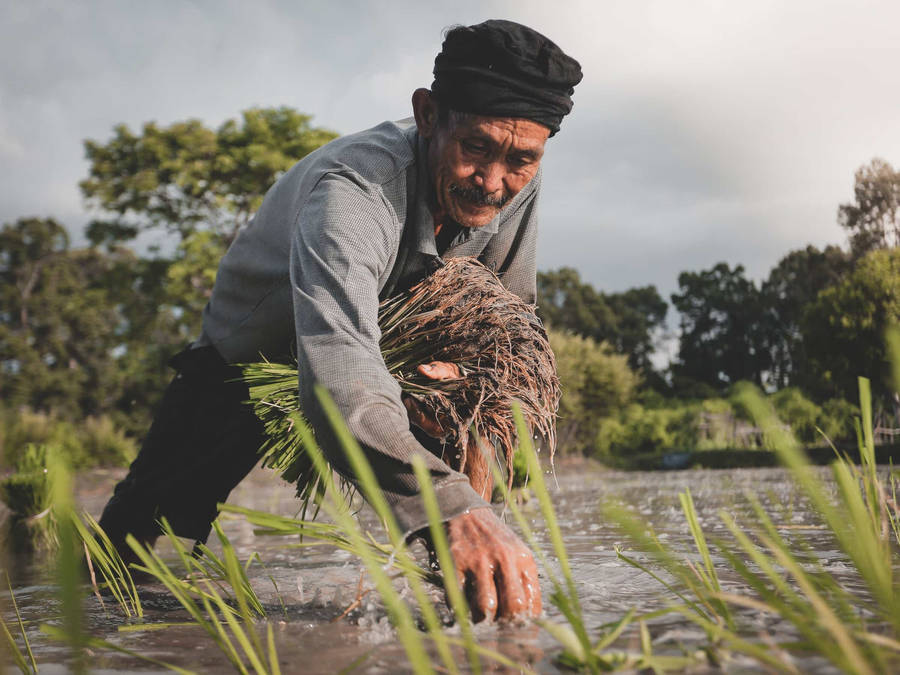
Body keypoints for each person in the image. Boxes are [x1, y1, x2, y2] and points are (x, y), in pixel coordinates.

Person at [98, 19, 582, 623]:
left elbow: (510, 326)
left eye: (521, 159)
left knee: (471, 456)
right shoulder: (355, 194)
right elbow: (342, 376)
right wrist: (449, 506)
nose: (492, 182)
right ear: (428, 115)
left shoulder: (516, 185)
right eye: (476, 148)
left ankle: (462, 617)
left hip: (397, 351)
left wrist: (468, 389)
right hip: (253, 357)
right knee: (145, 537)